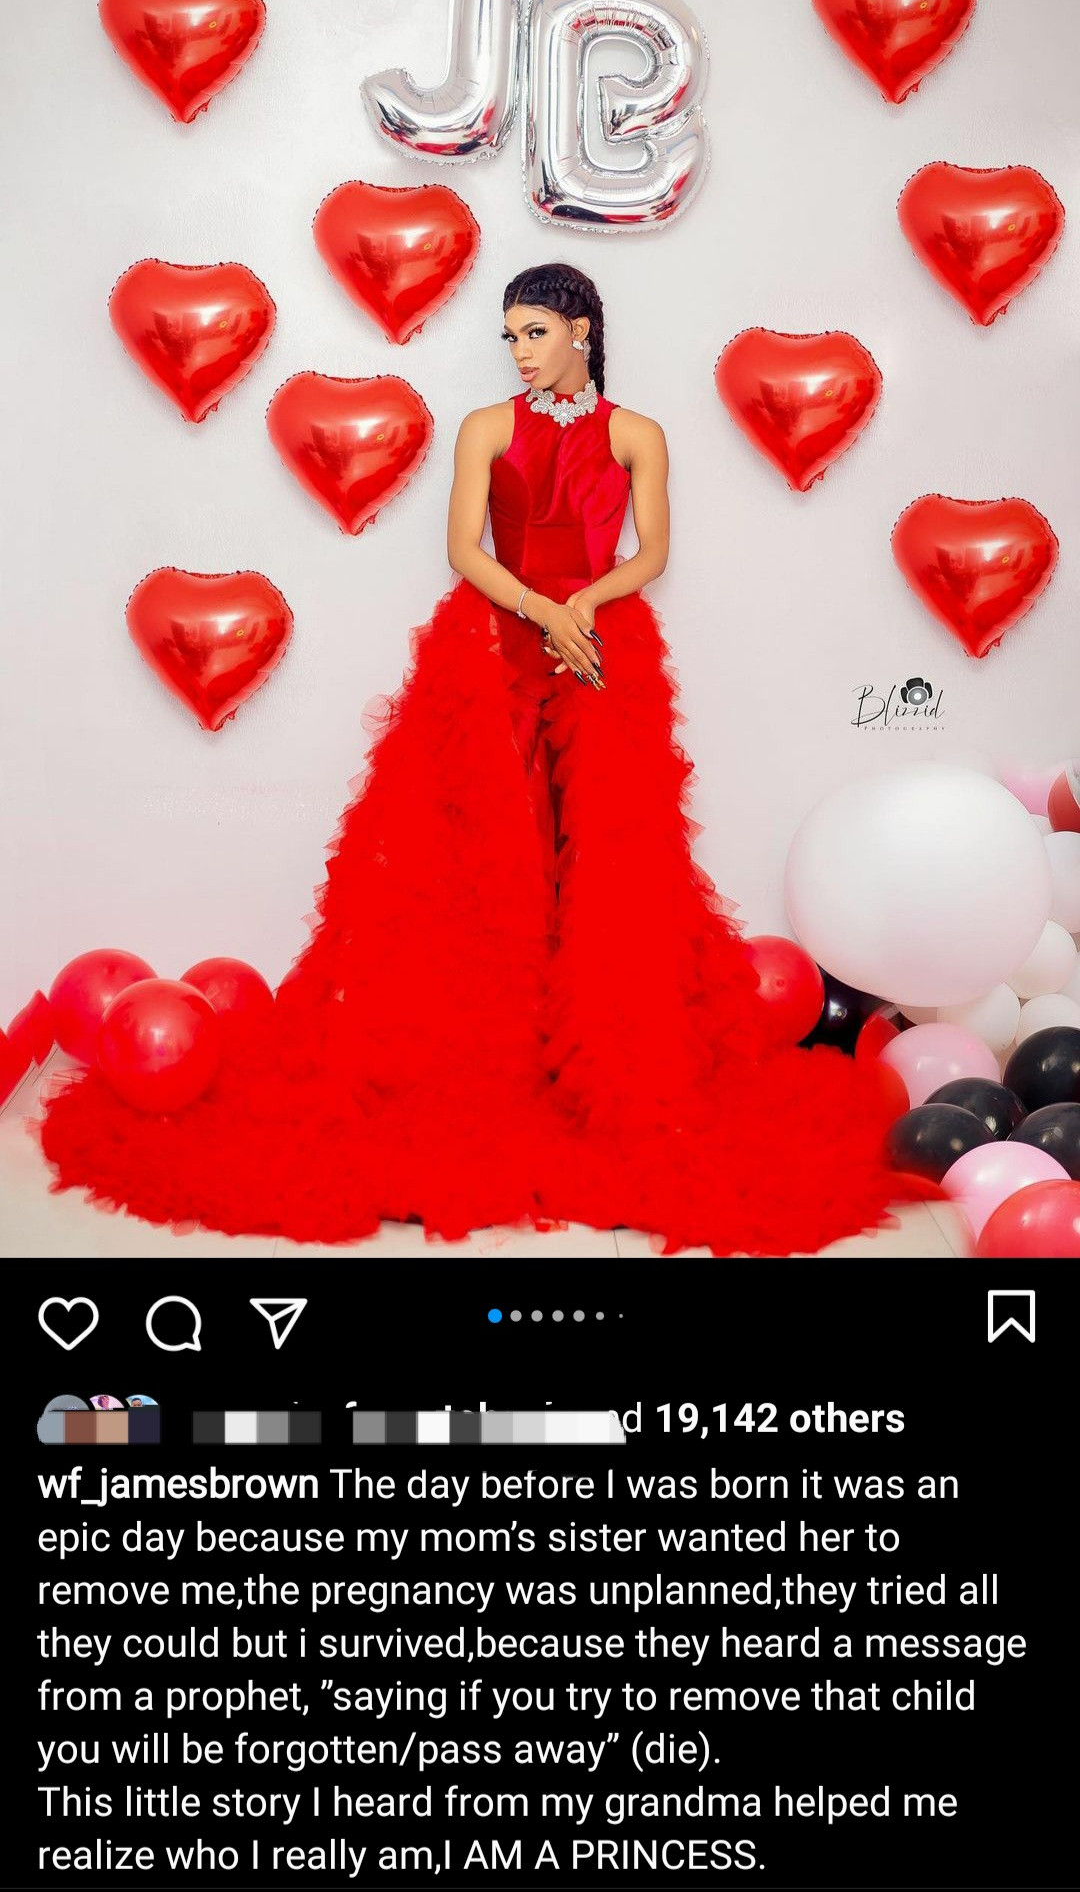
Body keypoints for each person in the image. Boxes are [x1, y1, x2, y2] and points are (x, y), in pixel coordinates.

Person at [31, 261, 920, 1254]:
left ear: (581, 330)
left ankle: (600, 1059)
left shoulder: (636, 433)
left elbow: (651, 551)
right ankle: (488, 1054)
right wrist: (543, 608)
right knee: (478, 854)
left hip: (598, 646)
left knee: (606, 856)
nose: (520, 350)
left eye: (534, 331)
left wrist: (586, 606)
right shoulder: (488, 428)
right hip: (492, 644)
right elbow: (466, 548)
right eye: (511, 335)